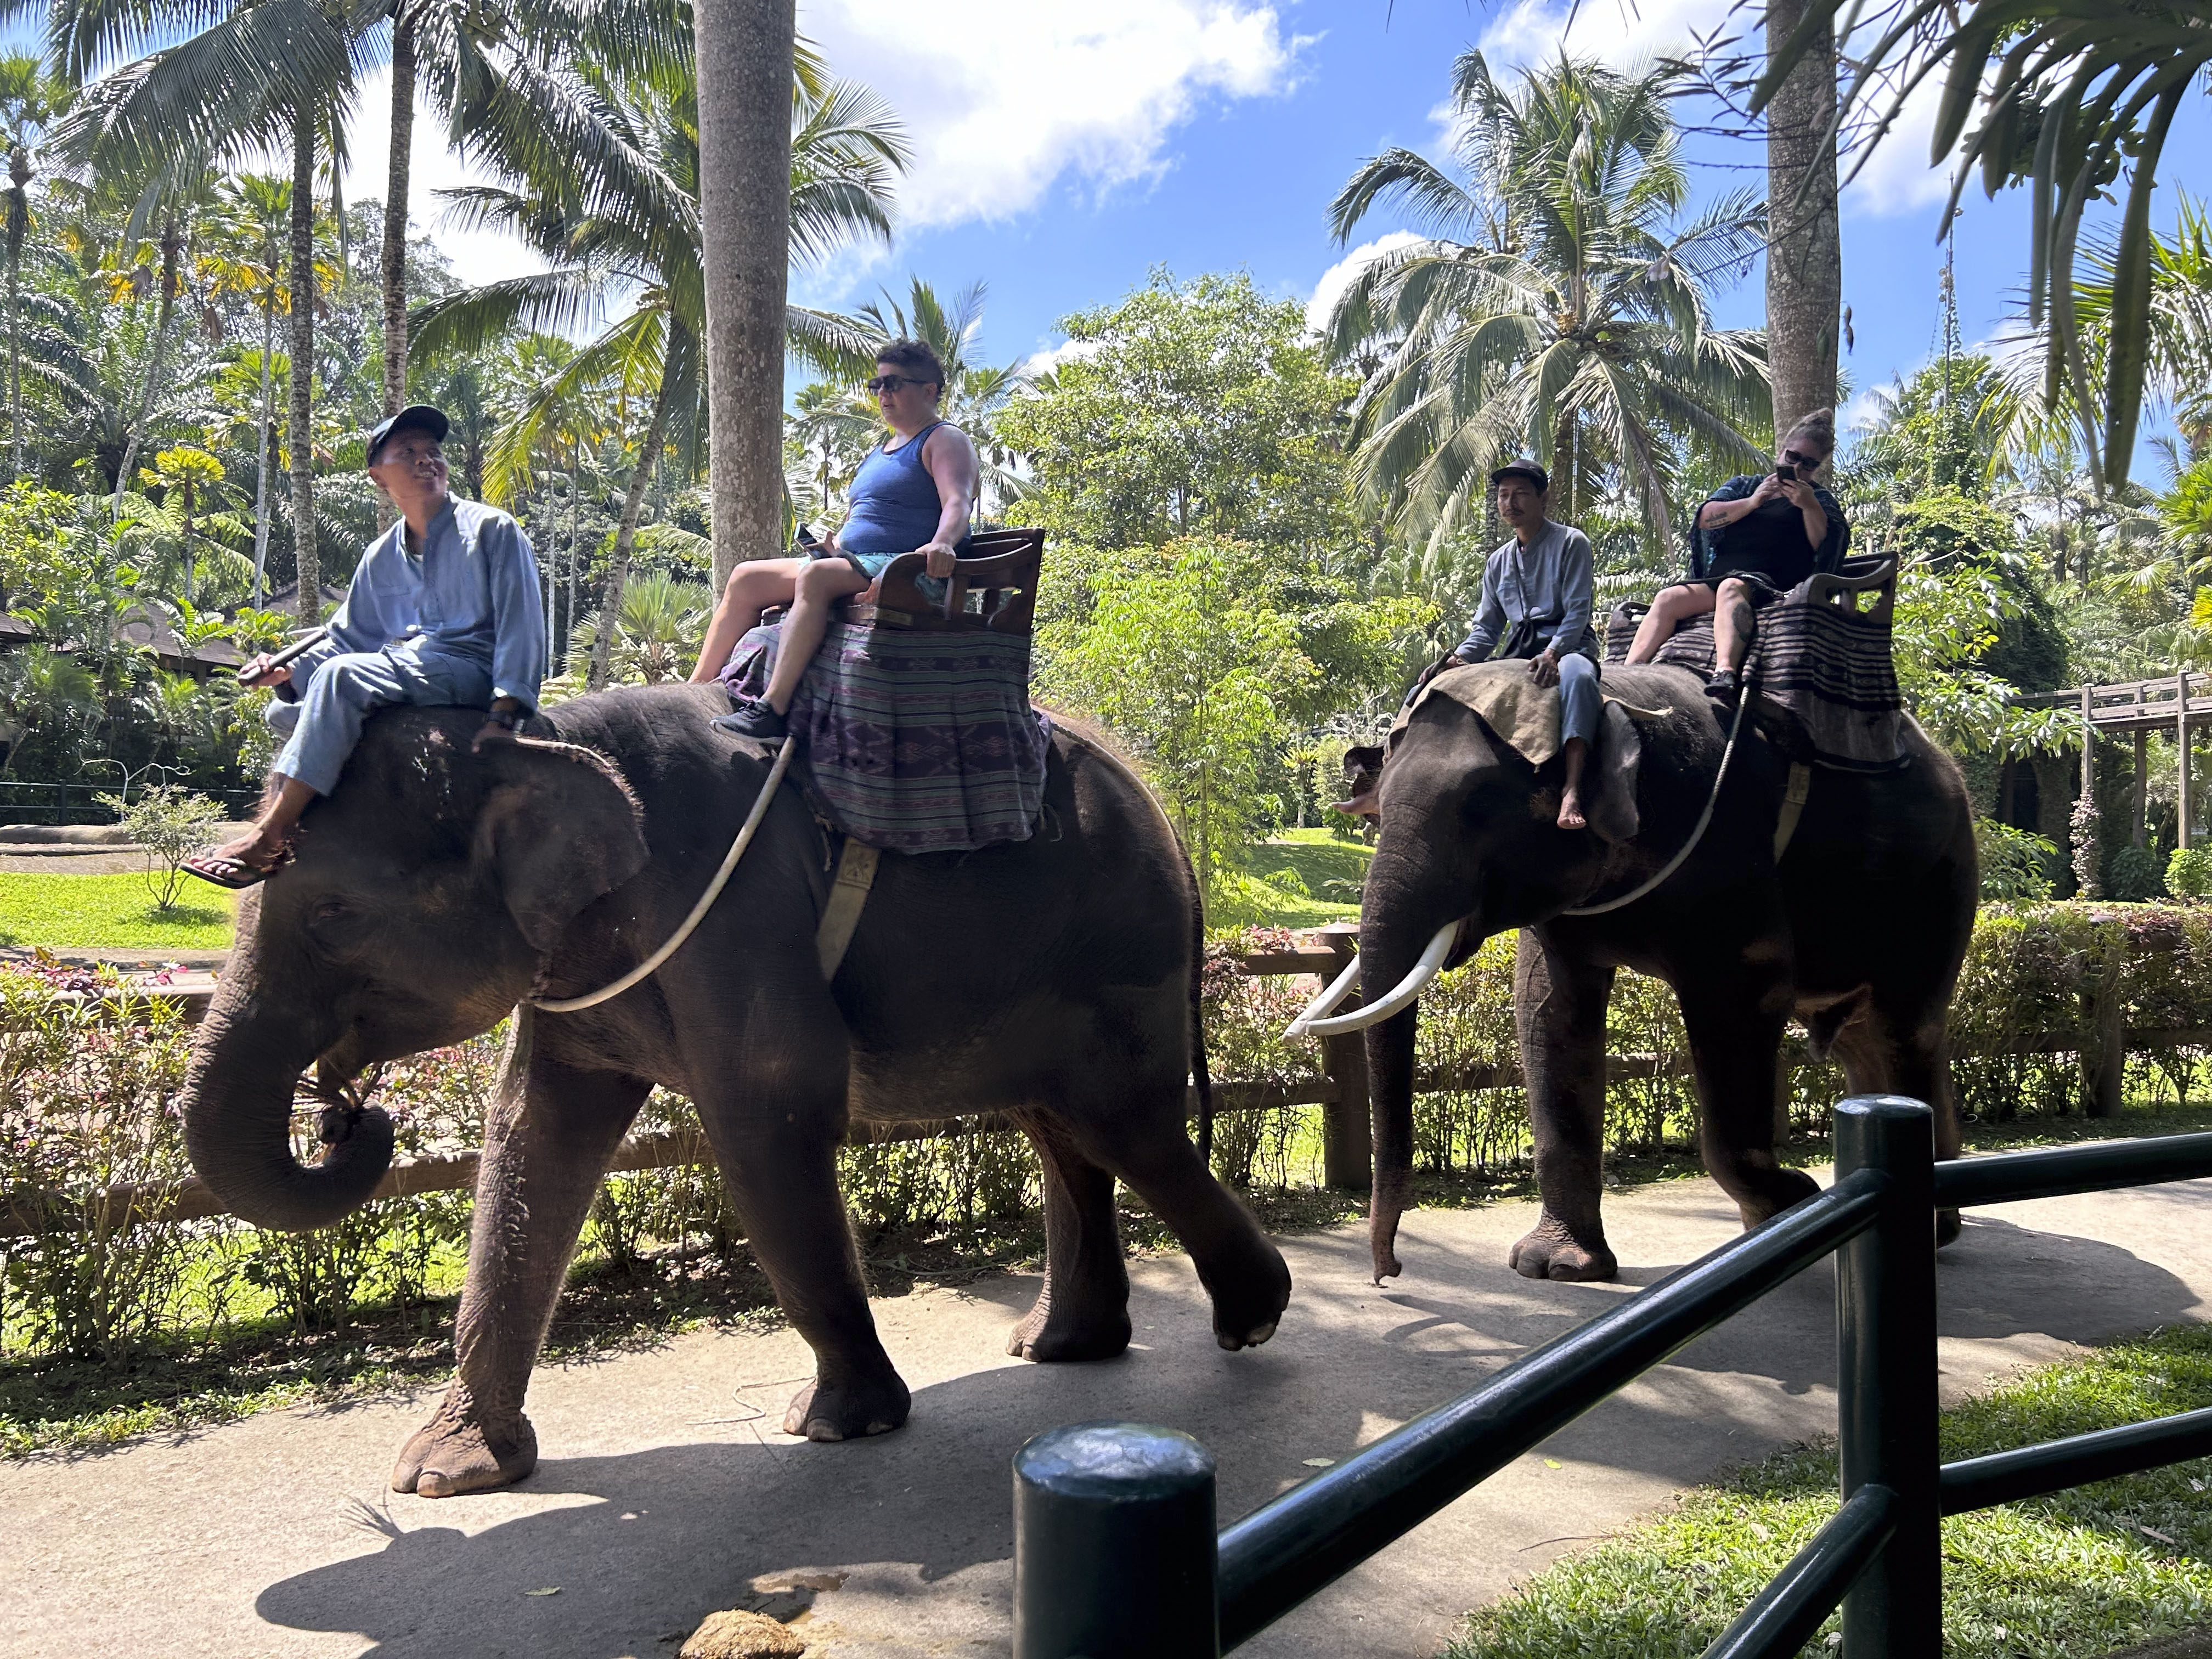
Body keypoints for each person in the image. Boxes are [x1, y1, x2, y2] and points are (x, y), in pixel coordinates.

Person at [184, 404, 546, 888]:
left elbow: (523, 624)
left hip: (474, 669)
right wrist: (289, 676)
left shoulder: (491, 529)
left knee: (341, 679)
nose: (426, 460)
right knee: (284, 713)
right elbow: (350, 638)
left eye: (433, 451)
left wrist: (505, 715)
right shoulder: (380, 557)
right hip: (415, 669)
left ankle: (274, 832)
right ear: (378, 477)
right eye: (410, 452)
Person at [693, 337, 982, 738]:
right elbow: (866, 516)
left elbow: (957, 503)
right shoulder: (881, 451)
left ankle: (772, 711)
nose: (882, 394)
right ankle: (697, 689)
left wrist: (943, 542)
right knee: (745, 577)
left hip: (907, 567)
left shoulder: (943, 439)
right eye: (876, 385)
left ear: (929, 390)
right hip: (855, 562)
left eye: (893, 384)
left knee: (815, 579)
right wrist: (835, 546)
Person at [1418, 460, 1600, 831]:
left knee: (1579, 679)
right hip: (1519, 649)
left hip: (1570, 645)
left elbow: (1579, 610)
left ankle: (1571, 788)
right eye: (1503, 495)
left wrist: (1555, 653)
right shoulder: (1497, 562)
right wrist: (1457, 659)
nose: (1510, 502)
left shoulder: (1571, 542)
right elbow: (1486, 630)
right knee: (1434, 683)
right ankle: (1386, 772)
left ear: (1543, 498)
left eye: (1520, 494)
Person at [1623, 410, 1848, 701]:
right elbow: (1706, 518)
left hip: (1773, 584)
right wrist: (1754, 502)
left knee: (1731, 589)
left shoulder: (1820, 500)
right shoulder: (1745, 486)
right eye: (1793, 457)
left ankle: (1724, 671)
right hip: (1720, 576)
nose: (1798, 467)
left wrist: (1808, 507)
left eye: (1808, 464)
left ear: (1817, 467)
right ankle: (1629, 672)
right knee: (1669, 598)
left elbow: (1825, 545)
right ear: (1781, 453)